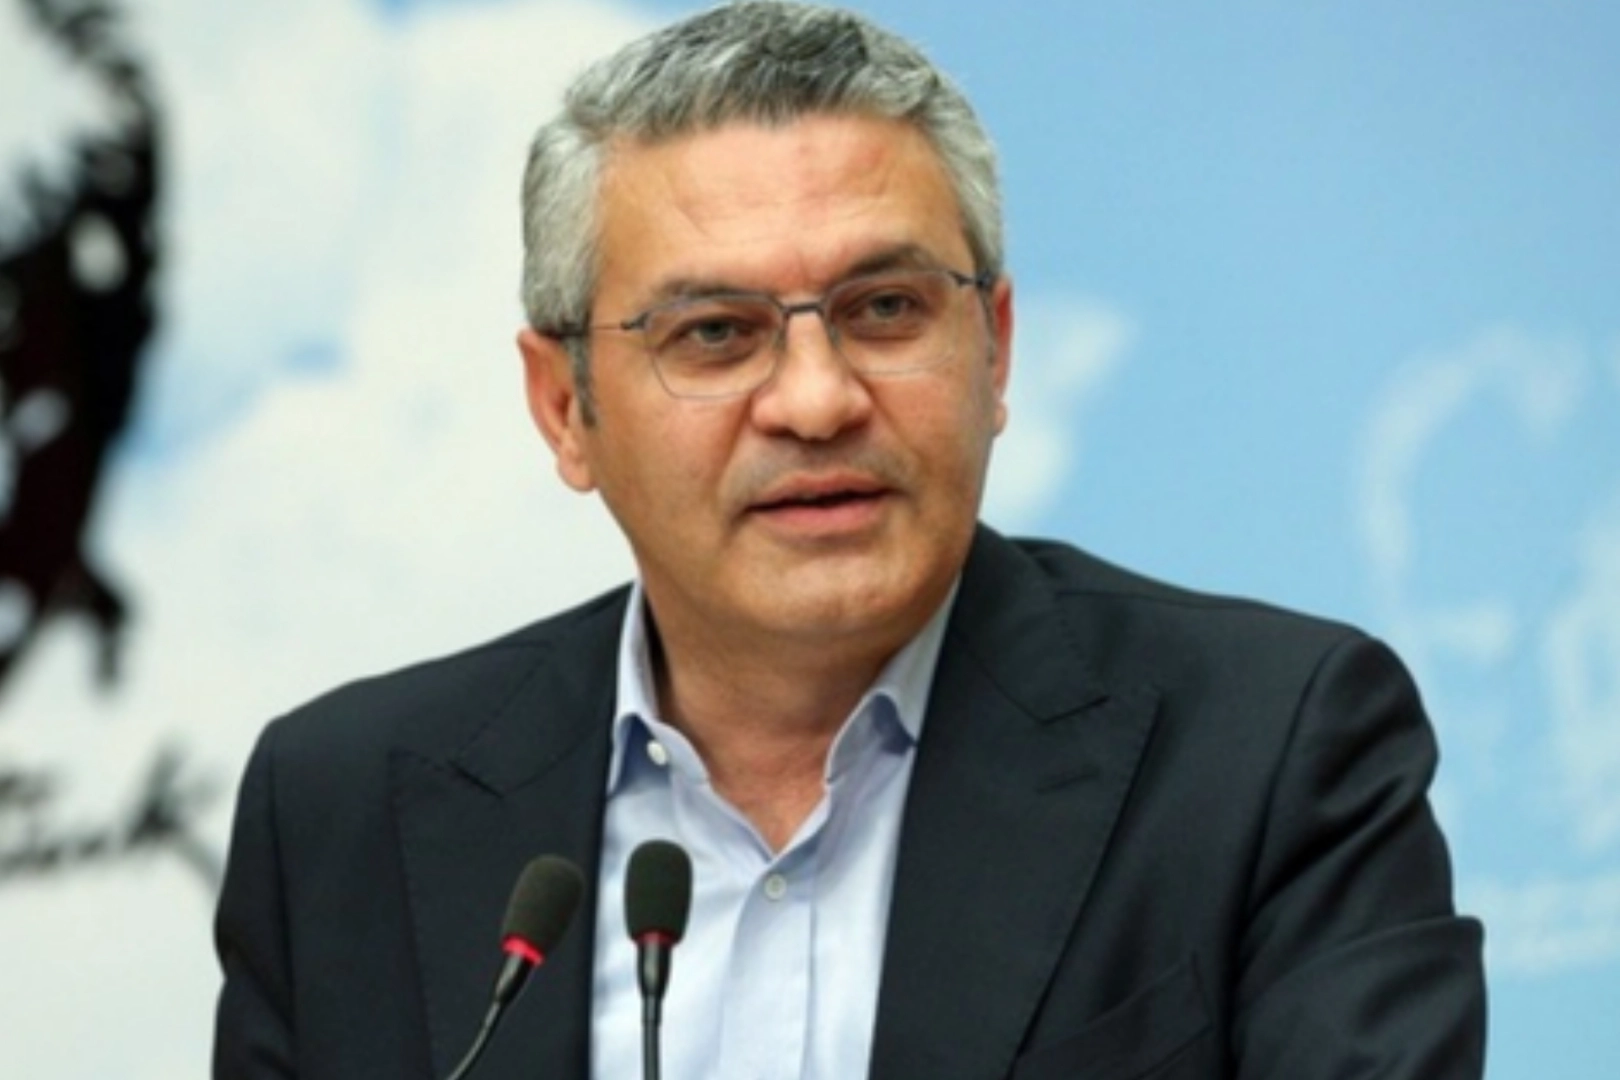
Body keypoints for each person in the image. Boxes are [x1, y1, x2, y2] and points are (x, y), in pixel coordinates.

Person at [212, 3, 1487, 1078]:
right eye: (716, 333)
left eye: (885, 310)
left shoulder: (1268, 753)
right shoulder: (343, 808)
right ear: (564, 408)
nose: (817, 401)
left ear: (995, 351)